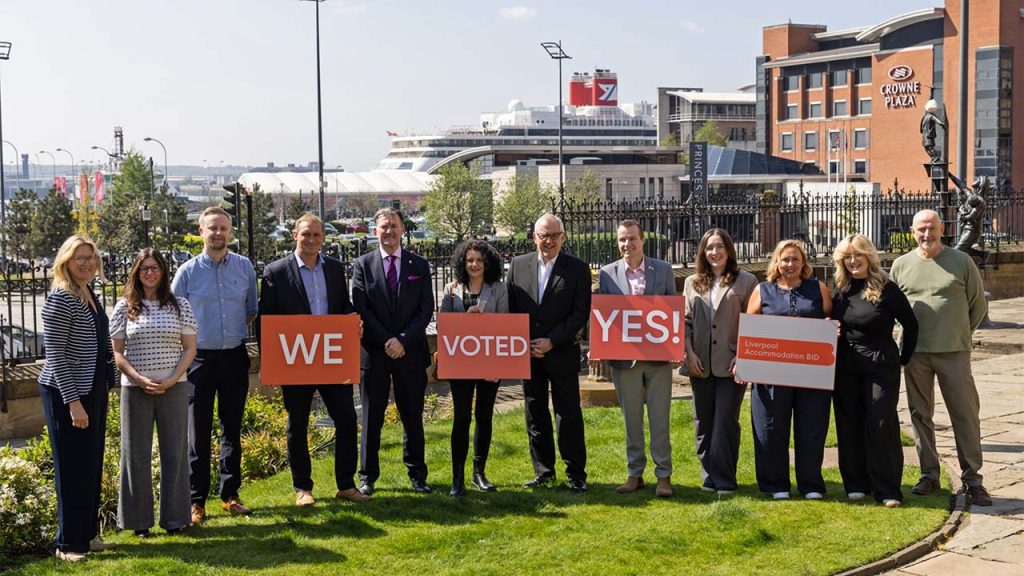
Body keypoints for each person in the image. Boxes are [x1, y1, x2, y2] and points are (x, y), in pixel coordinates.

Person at [258, 214, 369, 506]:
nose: (311, 240)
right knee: (297, 424)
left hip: (331, 357)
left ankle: (346, 485)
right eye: (306, 234)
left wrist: (352, 320)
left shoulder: (334, 268)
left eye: (316, 235)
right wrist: (270, 362)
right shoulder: (275, 272)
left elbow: (343, 305)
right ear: (295, 235)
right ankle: (303, 489)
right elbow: (265, 320)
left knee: (347, 419)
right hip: (296, 358)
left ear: (323, 238)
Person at [890, 209, 992, 506]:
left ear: (942, 229)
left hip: (953, 351)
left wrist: (959, 332)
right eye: (921, 229)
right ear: (912, 232)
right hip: (915, 353)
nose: (927, 233)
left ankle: (973, 479)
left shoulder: (961, 262)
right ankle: (929, 475)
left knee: (965, 414)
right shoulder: (901, 265)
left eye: (932, 228)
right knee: (920, 414)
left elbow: (978, 306)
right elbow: (894, 307)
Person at [171, 206, 259, 523]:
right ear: (201, 231)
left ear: (230, 231)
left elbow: (250, 311)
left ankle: (230, 496)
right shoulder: (187, 273)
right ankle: (196, 501)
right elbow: (174, 316)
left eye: (223, 228)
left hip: (234, 356)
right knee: (198, 432)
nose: (218, 233)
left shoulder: (245, 267)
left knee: (232, 429)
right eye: (212, 228)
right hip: (199, 361)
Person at [38, 235, 117, 562]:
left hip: (92, 386)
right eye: (79, 258)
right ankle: (68, 544)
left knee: (90, 463)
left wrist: (110, 379)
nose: (86, 263)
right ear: (66, 261)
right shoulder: (61, 298)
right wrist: (73, 403)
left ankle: (87, 535)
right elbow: (55, 356)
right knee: (71, 467)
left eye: (91, 257)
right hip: (65, 392)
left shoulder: (88, 293)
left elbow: (102, 340)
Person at [112, 248, 198, 536]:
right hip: (135, 390)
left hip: (174, 387)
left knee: (175, 453)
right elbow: (118, 354)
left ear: (163, 272)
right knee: (135, 455)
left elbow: (190, 348)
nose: (150, 273)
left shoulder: (180, 305)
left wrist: (172, 379)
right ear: (136, 272)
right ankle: (139, 523)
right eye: (144, 268)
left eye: (155, 267)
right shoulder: (123, 307)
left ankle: (175, 519)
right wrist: (137, 379)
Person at [352, 208, 434, 495]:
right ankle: (367, 477)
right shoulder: (362, 265)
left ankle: (417, 474)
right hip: (374, 354)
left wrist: (402, 340)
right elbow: (361, 307)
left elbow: (426, 308)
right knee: (371, 418)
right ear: (375, 231)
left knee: (412, 417)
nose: (389, 231)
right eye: (384, 227)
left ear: (402, 229)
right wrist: (387, 340)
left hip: (410, 354)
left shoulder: (419, 265)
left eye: (394, 226)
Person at [831, 234, 918, 508]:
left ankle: (887, 489)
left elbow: (911, 324)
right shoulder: (840, 289)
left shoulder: (887, 288)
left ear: (869, 256)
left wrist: (903, 358)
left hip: (880, 364)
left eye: (858, 254)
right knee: (849, 422)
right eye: (847, 256)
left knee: (880, 423)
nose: (853, 260)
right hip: (846, 366)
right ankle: (856, 484)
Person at [507, 213, 592, 492]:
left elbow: (580, 313)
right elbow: (510, 309)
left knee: (568, 416)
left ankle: (576, 474)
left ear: (563, 237)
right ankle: (543, 472)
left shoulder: (577, 269)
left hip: (561, 353)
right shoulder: (518, 265)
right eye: (544, 235)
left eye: (554, 235)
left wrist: (551, 341)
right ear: (534, 237)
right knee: (535, 414)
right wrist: (526, 343)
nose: (549, 241)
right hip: (529, 354)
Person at [744, 239, 833, 500]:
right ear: (777, 262)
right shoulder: (762, 290)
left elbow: (830, 318)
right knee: (771, 428)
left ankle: (811, 484)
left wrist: (831, 328)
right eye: (785, 259)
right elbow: (749, 328)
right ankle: (776, 484)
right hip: (771, 374)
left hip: (811, 373)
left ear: (803, 263)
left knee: (811, 427)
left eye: (795, 259)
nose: (790, 264)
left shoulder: (818, 288)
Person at [597, 219, 677, 497]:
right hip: (624, 359)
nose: (627, 244)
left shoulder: (663, 270)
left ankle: (664, 475)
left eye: (632, 238)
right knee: (631, 419)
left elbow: (672, 311)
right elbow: (606, 316)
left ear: (642, 240)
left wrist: (675, 346)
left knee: (660, 418)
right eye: (622, 239)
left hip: (658, 358)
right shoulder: (607, 274)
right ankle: (635, 473)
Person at [683, 228, 758, 496]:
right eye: (709, 247)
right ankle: (708, 476)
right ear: (703, 252)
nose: (715, 252)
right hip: (700, 362)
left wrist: (743, 354)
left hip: (732, 363)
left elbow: (753, 321)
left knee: (725, 420)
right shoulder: (691, 282)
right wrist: (689, 353)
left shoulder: (747, 281)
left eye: (719, 247)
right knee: (703, 422)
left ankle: (725, 478)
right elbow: (685, 322)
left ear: (729, 250)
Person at [440, 239, 508, 497]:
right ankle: (457, 477)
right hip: (461, 363)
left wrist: (485, 319)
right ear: (462, 262)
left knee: (484, 416)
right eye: (470, 260)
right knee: (461, 418)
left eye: (479, 260)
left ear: (487, 263)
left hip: (490, 363)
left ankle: (479, 473)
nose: (475, 264)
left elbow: (505, 325)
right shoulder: (451, 289)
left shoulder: (498, 289)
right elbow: (444, 324)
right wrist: (465, 319)